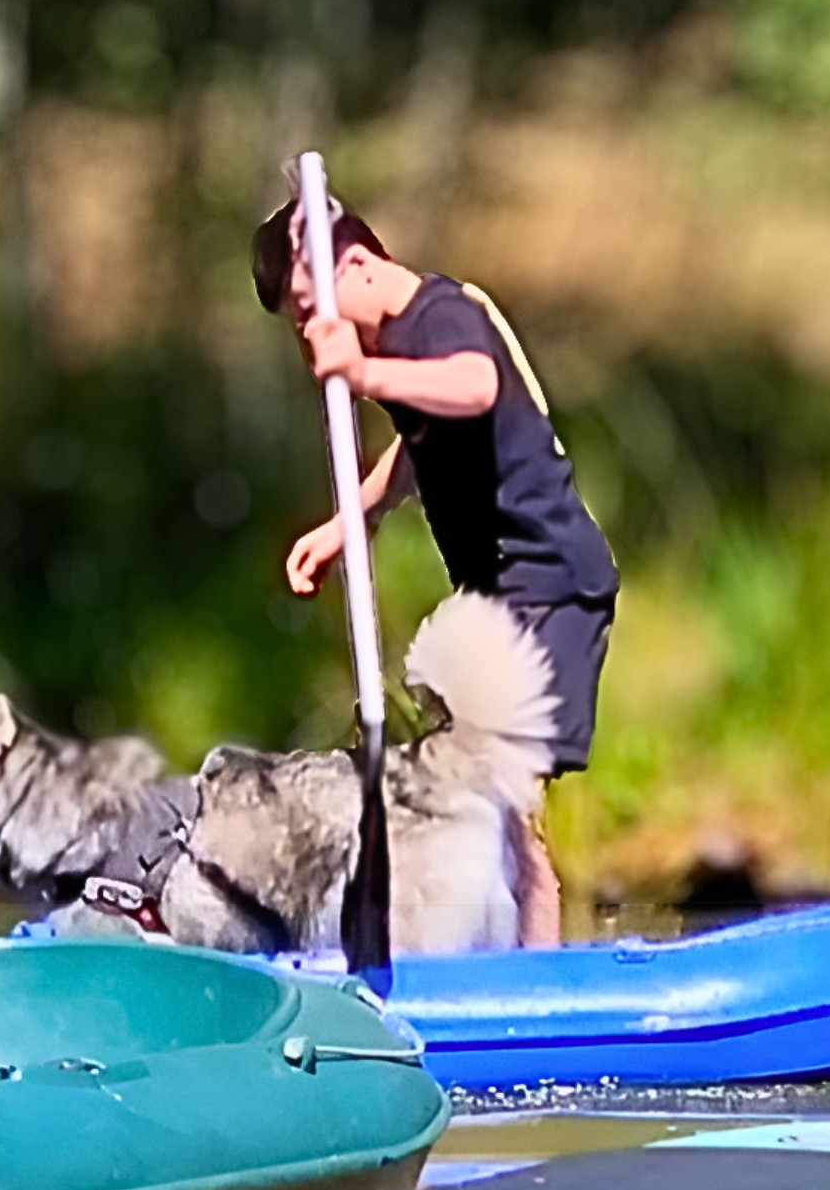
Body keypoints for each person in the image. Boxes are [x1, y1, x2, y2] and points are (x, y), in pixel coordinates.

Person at [251, 183, 618, 946]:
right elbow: (421, 438)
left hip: (550, 582)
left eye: (310, 312)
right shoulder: (397, 342)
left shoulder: (442, 317)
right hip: (496, 594)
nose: (312, 337)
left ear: (356, 266)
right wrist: (351, 521)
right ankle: (482, 955)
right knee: (465, 790)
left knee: (504, 791)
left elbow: (473, 386)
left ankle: (537, 978)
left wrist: (363, 377)